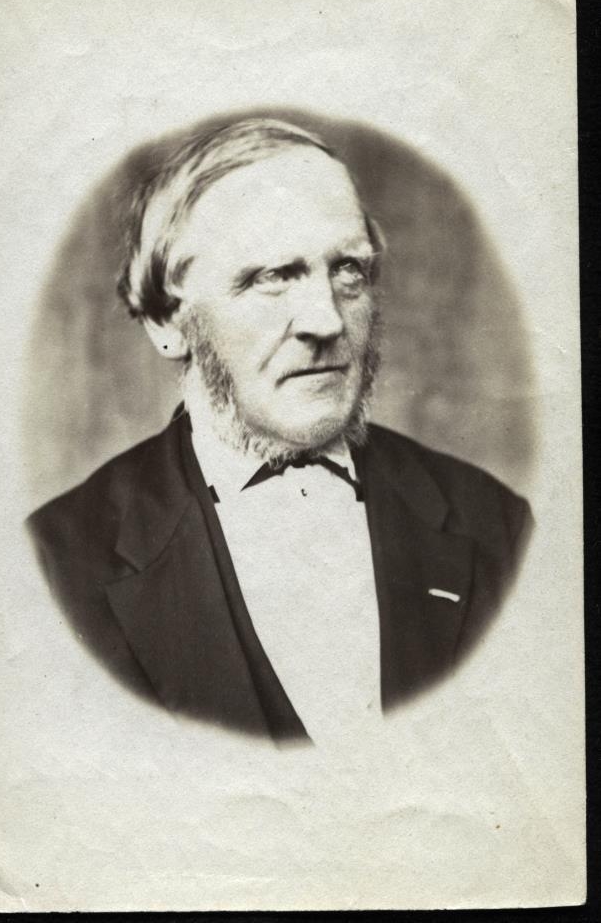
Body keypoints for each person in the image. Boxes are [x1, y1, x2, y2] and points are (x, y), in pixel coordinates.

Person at [27, 118, 532, 744]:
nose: (326, 321)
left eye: (347, 269)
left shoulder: (496, 525)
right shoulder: (56, 564)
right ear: (168, 321)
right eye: (271, 276)